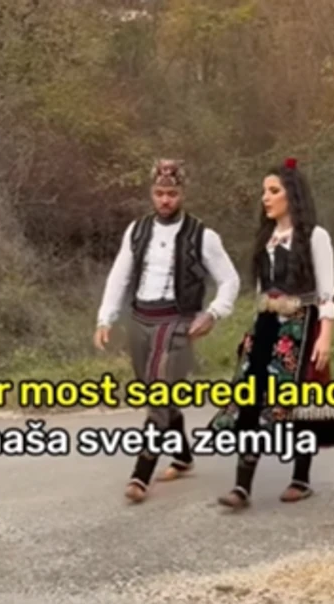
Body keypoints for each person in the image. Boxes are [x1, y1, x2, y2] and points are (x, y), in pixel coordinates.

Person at [94, 158, 241, 503]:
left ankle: (140, 475)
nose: (165, 200)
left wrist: (214, 313)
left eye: (172, 194)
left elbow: (230, 280)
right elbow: (120, 275)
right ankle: (183, 456)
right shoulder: (137, 230)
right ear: (151, 192)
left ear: (182, 193)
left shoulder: (203, 235)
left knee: (159, 397)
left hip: (177, 322)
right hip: (140, 319)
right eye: (159, 193)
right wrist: (105, 318)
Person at [208, 157, 334, 509]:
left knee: (298, 401)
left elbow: (327, 292)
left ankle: (301, 478)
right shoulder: (266, 239)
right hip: (267, 326)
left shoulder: (315, 237)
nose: (265, 198)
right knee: (250, 399)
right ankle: (242, 486)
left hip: (302, 327)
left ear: (291, 195)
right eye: (264, 192)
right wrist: (252, 333)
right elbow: (261, 291)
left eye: (273, 191)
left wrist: (325, 336)